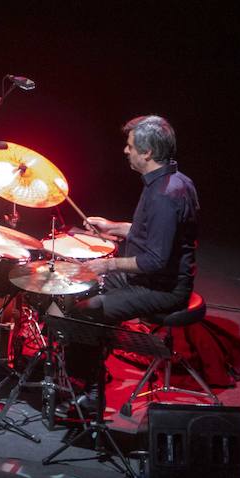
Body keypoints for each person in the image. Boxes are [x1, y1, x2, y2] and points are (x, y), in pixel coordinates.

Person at [65, 115, 199, 414]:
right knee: (75, 287)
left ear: (147, 152)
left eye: (130, 146)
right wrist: (113, 226)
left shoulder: (165, 195)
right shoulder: (170, 179)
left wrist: (108, 265)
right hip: (149, 278)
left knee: (86, 313)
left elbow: (154, 260)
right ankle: (89, 364)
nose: (126, 151)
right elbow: (150, 233)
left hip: (162, 288)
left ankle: (91, 393)